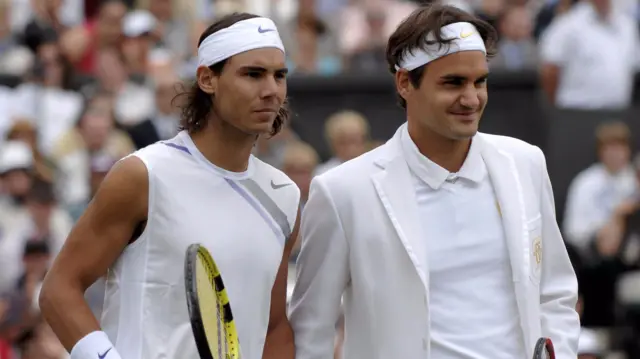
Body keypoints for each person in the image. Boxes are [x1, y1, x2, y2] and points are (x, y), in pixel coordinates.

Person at [289, 4, 580, 359]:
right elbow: (311, 330)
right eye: (453, 82)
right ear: (405, 83)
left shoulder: (525, 163)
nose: (471, 98)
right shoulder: (341, 191)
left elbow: (554, 293)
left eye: (480, 81)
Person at [39, 13, 299, 359]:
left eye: (279, 76)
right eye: (253, 74)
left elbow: (274, 326)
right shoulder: (142, 175)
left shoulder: (285, 195)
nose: (271, 90)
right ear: (208, 79)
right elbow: (59, 289)